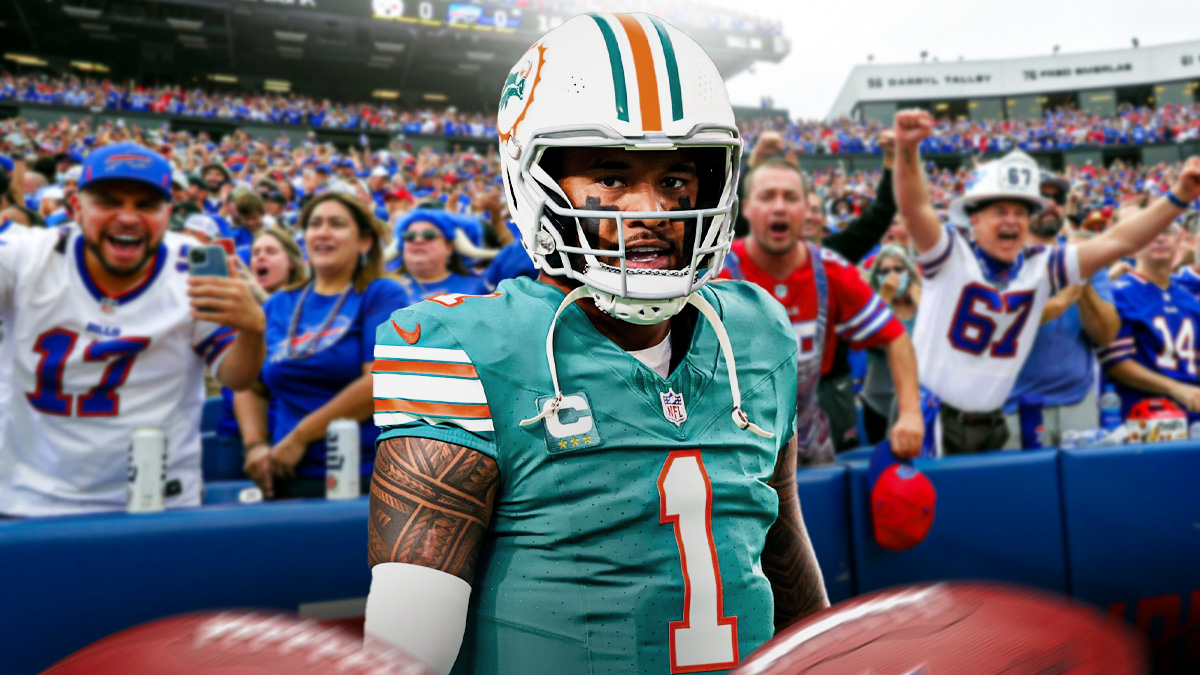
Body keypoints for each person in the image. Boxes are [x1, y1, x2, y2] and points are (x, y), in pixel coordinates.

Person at [365, 15, 828, 675]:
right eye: (610, 177)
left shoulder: (756, 331)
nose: (652, 209)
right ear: (536, 182)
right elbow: (409, 644)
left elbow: (777, 538)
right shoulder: (464, 346)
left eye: (674, 179)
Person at [892, 109, 1200, 454]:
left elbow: (1119, 242)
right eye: (1000, 212)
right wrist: (908, 148)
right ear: (974, 221)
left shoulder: (1040, 263)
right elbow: (915, 209)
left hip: (994, 415)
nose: (1012, 220)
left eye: (1021, 213)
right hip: (937, 413)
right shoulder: (951, 256)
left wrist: (1179, 197)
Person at [0, 142, 266, 517]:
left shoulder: (191, 268)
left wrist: (253, 330)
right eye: (108, 202)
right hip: (31, 497)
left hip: (156, 500)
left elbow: (237, 377)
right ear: (76, 208)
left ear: (168, 214)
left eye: (146, 205)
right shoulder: (25, 256)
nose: (128, 217)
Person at [720, 157, 923, 464]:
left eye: (790, 198)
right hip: (731, 447)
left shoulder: (830, 269)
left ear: (806, 210)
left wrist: (910, 413)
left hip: (809, 443)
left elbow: (895, 336)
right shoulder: (715, 275)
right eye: (766, 196)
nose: (779, 207)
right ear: (746, 209)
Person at [236, 192, 408, 499]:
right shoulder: (279, 303)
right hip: (286, 474)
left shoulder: (382, 294)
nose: (323, 231)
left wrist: (300, 437)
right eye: (315, 224)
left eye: (337, 224)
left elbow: (380, 380)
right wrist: (255, 444)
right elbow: (249, 384)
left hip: (367, 478)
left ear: (364, 242)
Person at [1002, 204, 1120, 448]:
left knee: (1084, 484)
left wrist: (1079, 273)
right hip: (1012, 405)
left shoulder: (1084, 259)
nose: (1049, 205)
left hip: (1077, 402)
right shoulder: (1000, 260)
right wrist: (1062, 301)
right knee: (1023, 485)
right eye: (1041, 198)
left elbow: (1107, 335)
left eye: (1057, 198)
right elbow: (1006, 326)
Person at [1099, 223, 1200, 419]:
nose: (1160, 238)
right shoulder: (1118, 293)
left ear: (1178, 244)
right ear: (1133, 248)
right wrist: (1176, 388)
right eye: (1150, 233)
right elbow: (1117, 363)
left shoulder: (1189, 299)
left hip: (1191, 413)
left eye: (1167, 233)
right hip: (1142, 415)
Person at [861, 244, 922, 444]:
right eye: (885, 271)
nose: (892, 275)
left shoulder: (922, 303)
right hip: (879, 404)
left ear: (908, 271)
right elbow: (868, 340)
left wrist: (924, 309)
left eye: (898, 269)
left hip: (918, 403)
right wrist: (884, 298)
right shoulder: (871, 306)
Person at [389, 210, 488, 301]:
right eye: (409, 236)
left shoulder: (480, 288)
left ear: (449, 247)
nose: (417, 240)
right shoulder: (383, 288)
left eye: (429, 234)